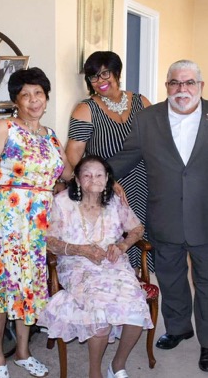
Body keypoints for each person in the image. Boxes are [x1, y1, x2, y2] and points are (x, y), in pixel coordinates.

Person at [108, 60, 208, 372]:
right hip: (164, 215)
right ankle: (179, 327)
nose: (183, 90)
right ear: (167, 86)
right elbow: (126, 157)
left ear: (201, 86)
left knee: (207, 283)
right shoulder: (147, 118)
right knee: (170, 277)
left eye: (189, 83)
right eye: (175, 83)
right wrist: (94, 175)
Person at [0, 67, 72, 378]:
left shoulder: (50, 136)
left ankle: (22, 352)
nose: (34, 100)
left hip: (36, 229)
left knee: (29, 291)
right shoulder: (2, 128)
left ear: (46, 98)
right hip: (3, 222)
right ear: (16, 101)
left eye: (39, 94)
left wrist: (105, 179)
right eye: (26, 95)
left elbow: (68, 176)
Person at [37, 155, 153, 378]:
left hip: (114, 264)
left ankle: (117, 366)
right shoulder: (62, 202)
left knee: (137, 310)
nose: (94, 179)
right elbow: (49, 240)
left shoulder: (115, 201)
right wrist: (82, 250)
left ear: (107, 178)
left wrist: (122, 245)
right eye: (87, 175)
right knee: (99, 314)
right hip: (76, 265)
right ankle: (94, 373)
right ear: (78, 180)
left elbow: (137, 229)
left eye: (99, 174)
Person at [66, 51, 153, 272]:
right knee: (116, 248)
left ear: (117, 73)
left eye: (105, 73)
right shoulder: (86, 109)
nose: (100, 81)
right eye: (94, 77)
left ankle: (138, 293)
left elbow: (157, 143)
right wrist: (104, 183)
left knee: (144, 240)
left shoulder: (142, 102)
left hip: (145, 185)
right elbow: (73, 158)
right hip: (110, 190)